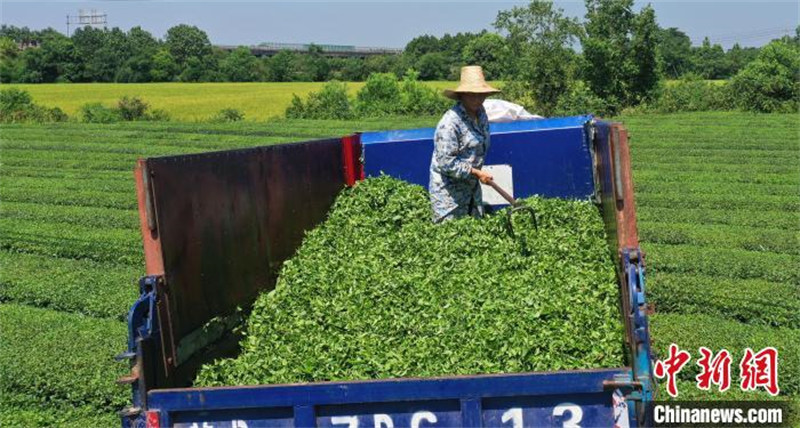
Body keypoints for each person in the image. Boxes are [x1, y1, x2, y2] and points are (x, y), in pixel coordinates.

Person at [429, 65, 501, 223]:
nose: (477, 99)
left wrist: (476, 174)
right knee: (451, 240)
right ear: (462, 95)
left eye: (481, 95)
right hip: (449, 197)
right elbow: (446, 162)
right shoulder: (450, 123)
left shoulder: (481, 115)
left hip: (471, 191)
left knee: (474, 235)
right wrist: (476, 172)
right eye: (472, 95)